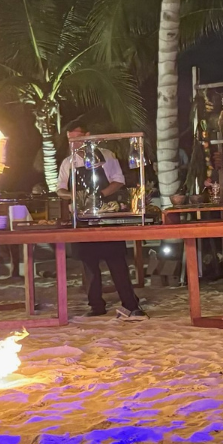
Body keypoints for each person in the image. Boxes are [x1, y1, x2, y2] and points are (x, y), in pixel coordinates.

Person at [57, 122, 145, 319]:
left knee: (116, 262)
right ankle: (96, 305)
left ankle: (130, 304)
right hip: (81, 218)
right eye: (71, 140)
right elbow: (60, 188)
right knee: (88, 265)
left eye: (78, 138)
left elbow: (118, 180)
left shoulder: (106, 155)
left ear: (87, 136)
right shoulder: (67, 163)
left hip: (106, 215)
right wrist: (74, 196)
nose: (75, 143)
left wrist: (100, 195)